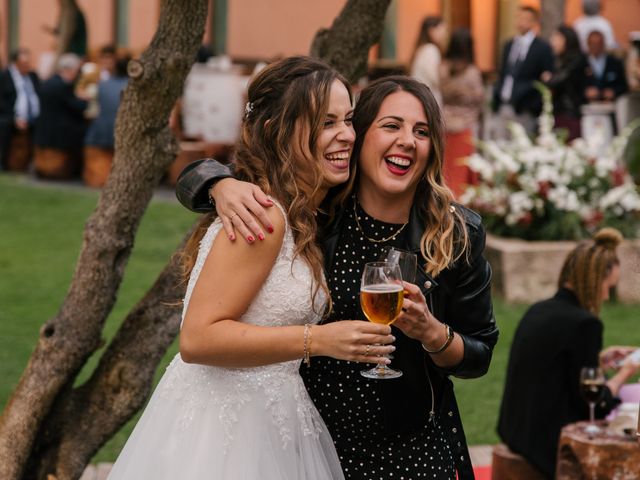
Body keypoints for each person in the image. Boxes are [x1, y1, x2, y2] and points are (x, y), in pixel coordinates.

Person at [176, 75, 498, 479]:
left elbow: (479, 354)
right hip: (314, 446)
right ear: (359, 137)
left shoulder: (456, 235)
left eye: (422, 131)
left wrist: (433, 333)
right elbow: (216, 176)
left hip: (411, 449)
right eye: (391, 126)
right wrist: (218, 183)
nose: (407, 141)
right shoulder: (316, 211)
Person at [107, 56, 396, 480]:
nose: (346, 136)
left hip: (272, 419)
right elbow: (198, 338)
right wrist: (317, 340)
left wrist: (215, 181)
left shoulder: (302, 211)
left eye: (348, 120)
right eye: (326, 123)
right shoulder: (264, 215)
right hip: (225, 432)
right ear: (276, 131)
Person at [497, 228, 640, 478]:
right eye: (608, 286)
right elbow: (594, 403)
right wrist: (625, 373)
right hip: (547, 444)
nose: (606, 296)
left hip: (515, 429)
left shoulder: (539, 310)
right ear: (595, 281)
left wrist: (598, 361)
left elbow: (554, 369)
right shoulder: (584, 324)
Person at [492, 6, 554, 137]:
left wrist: (533, 103)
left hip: (525, 107)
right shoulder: (509, 45)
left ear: (533, 22)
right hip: (505, 103)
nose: (521, 22)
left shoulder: (542, 48)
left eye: (526, 19)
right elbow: (504, 73)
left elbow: (545, 77)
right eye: (519, 18)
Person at [439, 27, 484, 198]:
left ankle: (444, 199)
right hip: (465, 127)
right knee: (462, 171)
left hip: (445, 125)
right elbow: (479, 98)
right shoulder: (472, 72)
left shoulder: (443, 68)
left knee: (447, 170)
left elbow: (443, 91)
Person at [32, 53, 87, 178]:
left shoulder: (49, 82)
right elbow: (77, 107)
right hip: (61, 130)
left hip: (44, 127)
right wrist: (85, 100)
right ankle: (76, 171)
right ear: (70, 70)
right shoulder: (63, 86)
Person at [541, 25, 588, 141]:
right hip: (556, 111)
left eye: (556, 38)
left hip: (569, 112)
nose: (553, 42)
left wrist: (549, 79)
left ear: (566, 39)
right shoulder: (557, 59)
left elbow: (557, 80)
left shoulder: (577, 59)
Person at [0, 48, 40, 170]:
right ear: (16, 63)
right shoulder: (4, 77)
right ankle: (3, 161)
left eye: (28, 63)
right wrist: (15, 118)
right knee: (4, 125)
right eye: (24, 64)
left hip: (33, 116)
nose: (27, 66)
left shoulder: (32, 76)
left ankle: (35, 162)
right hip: (10, 116)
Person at [410, 16, 447, 106]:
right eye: (441, 30)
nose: (444, 34)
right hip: (428, 100)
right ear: (431, 30)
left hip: (420, 97)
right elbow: (436, 79)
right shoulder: (430, 50)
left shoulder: (422, 49)